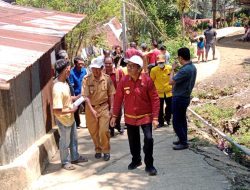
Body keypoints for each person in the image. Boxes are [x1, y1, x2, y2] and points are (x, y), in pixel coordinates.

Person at [110, 55, 160, 176]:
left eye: (132, 66)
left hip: (146, 116)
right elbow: (118, 99)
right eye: (128, 66)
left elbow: (155, 99)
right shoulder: (124, 81)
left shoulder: (147, 80)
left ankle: (149, 164)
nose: (129, 68)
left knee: (148, 139)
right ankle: (136, 160)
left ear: (139, 69)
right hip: (130, 117)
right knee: (133, 140)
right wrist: (114, 116)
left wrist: (155, 118)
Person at [53, 59, 88, 170]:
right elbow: (56, 110)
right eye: (68, 68)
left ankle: (74, 157)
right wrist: (71, 110)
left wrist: (76, 97)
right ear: (65, 70)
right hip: (63, 120)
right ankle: (65, 162)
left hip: (70, 118)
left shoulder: (65, 82)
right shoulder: (57, 88)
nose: (70, 69)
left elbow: (67, 99)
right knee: (65, 142)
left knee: (73, 139)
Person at [82, 57, 116, 161]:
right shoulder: (86, 79)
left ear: (101, 68)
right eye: (93, 68)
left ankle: (106, 150)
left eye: (97, 69)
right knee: (94, 132)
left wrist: (112, 108)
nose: (95, 71)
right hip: (90, 109)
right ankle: (98, 149)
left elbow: (111, 94)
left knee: (103, 131)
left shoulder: (107, 78)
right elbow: (85, 96)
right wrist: (92, 111)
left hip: (103, 107)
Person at [169, 48, 197, 150]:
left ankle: (183, 142)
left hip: (179, 97)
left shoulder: (185, 70)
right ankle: (182, 139)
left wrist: (172, 69)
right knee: (182, 120)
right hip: (185, 96)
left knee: (176, 121)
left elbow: (171, 81)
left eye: (178, 58)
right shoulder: (192, 67)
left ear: (181, 57)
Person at [104, 56, 124, 137]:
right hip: (106, 98)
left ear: (113, 64)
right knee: (108, 114)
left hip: (117, 97)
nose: (108, 65)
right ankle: (111, 129)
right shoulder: (102, 73)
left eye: (109, 63)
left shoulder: (118, 72)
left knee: (118, 113)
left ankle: (118, 126)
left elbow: (123, 83)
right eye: (106, 64)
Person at [150, 54, 172, 128]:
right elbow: (151, 81)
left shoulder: (170, 68)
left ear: (165, 61)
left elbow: (173, 78)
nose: (161, 64)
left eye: (162, 62)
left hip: (169, 92)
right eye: (159, 63)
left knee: (169, 107)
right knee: (159, 108)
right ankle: (161, 122)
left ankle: (168, 119)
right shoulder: (154, 70)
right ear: (157, 62)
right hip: (158, 93)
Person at [69, 56, 87, 129]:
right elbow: (72, 86)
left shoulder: (84, 71)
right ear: (75, 64)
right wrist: (74, 96)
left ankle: (88, 123)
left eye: (82, 63)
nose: (81, 65)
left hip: (85, 94)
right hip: (77, 95)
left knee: (87, 109)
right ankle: (77, 123)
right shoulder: (71, 73)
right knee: (76, 109)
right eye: (80, 64)